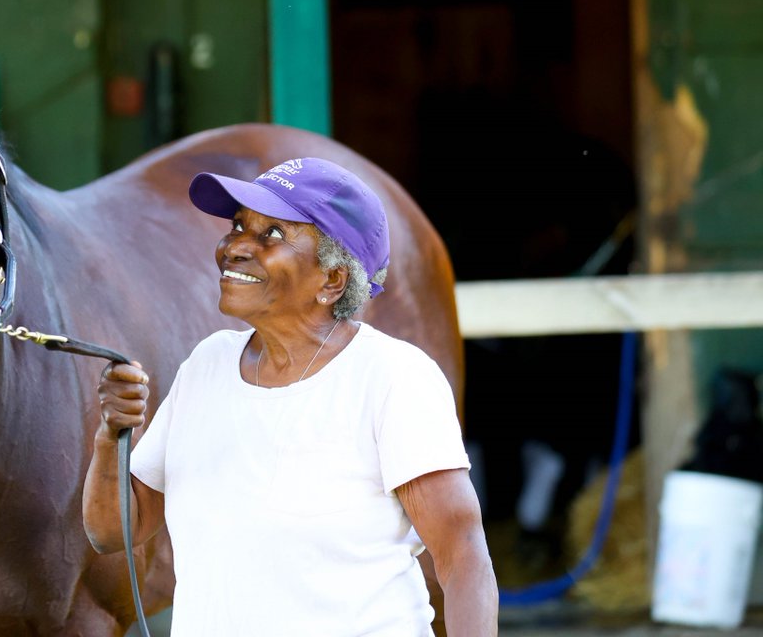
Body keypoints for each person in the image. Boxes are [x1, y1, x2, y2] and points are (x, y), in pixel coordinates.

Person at [82, 157, 497, 636]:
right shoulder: (207, 365)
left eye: (272, 235)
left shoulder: (391, 377)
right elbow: (112, 531)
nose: (235, 246)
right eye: (238, 226)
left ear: (332, 281)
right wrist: (112, 434)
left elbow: (464, 560)